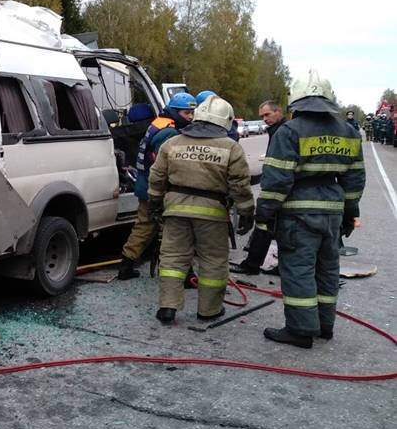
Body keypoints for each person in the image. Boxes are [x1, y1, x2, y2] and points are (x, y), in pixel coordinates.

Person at [256, 70, 365, 348]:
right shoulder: (348, 131)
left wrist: (265, 213)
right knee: (327, 269)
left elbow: (277, 179)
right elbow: (354, 178)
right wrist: (351, 212)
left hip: (298, 212)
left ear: (297, 100)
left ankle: (301, 330)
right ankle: (324, 325)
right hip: (333, 211)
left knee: (298, 269)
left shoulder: (291, 131)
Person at [149, 95, 254, 324]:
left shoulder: (172, 143)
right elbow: (239, 185)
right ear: (225, 120)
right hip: (212, 214)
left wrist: (155, 204)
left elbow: (156, 178)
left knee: (173, 260)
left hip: (175, 210)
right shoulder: (230, 147)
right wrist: (247, 212)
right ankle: (209, 310)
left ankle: (168, 306)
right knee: (213, 261)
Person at [117, 92, 197, 280]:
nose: (191, 117)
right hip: (158, 190)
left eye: (193, 113)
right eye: (187, 113)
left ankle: (126, 266)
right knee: (171, 231)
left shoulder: (159, 123)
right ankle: (182, 274)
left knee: (143, 226)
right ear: (176, 112)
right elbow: (165, 165)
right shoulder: (168, 132)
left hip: (145, 186)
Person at [230, 99, 289, 275]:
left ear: (278, 111)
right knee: (270, 225)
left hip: (278, 187)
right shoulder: (277, 130)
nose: (264, 119)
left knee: (267, 223)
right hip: (275, 184)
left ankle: (253, 265)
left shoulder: (284, 131)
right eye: (262, 116)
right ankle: (256, 264)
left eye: (267, 114)